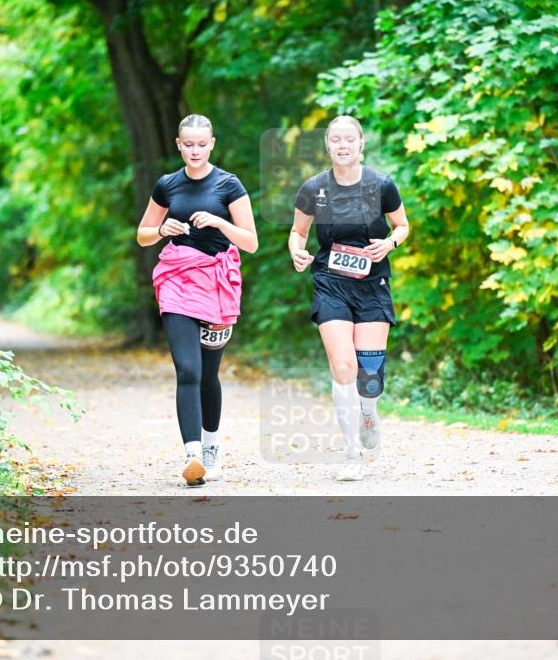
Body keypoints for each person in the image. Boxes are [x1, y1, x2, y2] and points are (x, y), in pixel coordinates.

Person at [136, 114, 258, 486]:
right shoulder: (167, 185)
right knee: (186, 369)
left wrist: (220, 223)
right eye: (188, 144)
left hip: (218, 283)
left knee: (207, 374)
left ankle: (210, 447)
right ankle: (191, 455)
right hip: (176, 279)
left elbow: (251, 242)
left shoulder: (228, 185)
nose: (195, 150)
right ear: (178, 145)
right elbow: (142, 234)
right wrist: (161, 229)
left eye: (201, 144)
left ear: (212, 144)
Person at [287, 116, 410, 481]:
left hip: (373, 284)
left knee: (369, 375)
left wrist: (390, 242)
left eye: (349, 140)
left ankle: (368, 410)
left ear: (361, 145)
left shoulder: (381, 185)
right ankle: (351, 452)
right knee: (343, 367)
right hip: (331, 283)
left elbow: (402, 225)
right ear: (327, 145)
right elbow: (298, 231)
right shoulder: (313, 189)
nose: (342, 146)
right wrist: (297, 251)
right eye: (335, 140)